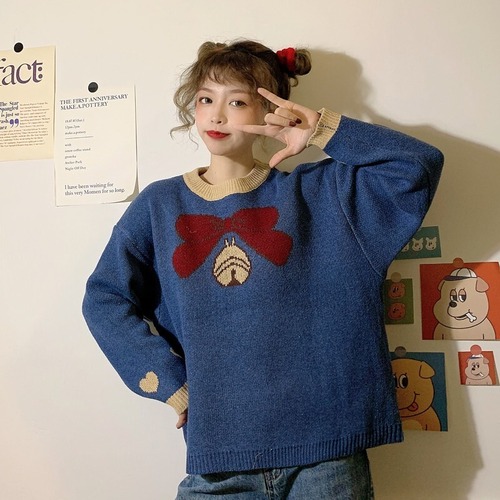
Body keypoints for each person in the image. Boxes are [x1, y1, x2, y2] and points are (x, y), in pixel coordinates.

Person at [82, 39, 444, 498]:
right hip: (219, 458)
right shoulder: (160, 206)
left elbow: (417, 167)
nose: (216, 115)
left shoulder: (322, 195)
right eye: (206, 99)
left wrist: (321, 130)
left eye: (236, 102)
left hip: (327, 454)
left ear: (269, 112)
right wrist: (169, 383)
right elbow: (105, 298)